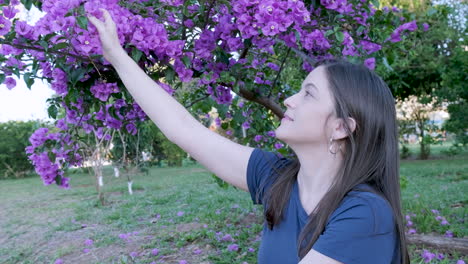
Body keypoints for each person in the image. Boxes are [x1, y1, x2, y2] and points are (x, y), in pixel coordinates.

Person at [87, 8, 410, 264]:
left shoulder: (364, 213)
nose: (289, 100)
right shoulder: (277, 178)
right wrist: (116, 55)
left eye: (308, 94)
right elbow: (182, 128)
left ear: (341, 127)